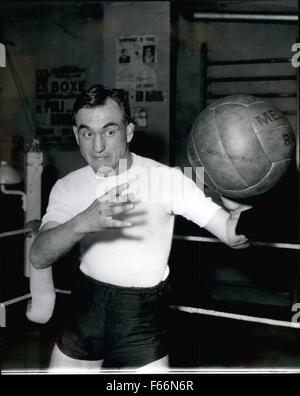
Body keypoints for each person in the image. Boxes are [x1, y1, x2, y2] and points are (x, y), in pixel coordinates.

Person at [30, 84, 250, 371]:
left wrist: (240, 212)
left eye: (109, 131)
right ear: (76, 135)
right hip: (86, 310)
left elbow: (233, 236)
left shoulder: (168, 179)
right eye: (87, 133)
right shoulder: (69, 186)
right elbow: (38, 255)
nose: (97, 146)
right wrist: (82, 222)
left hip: (143, 318)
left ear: (129, 132)